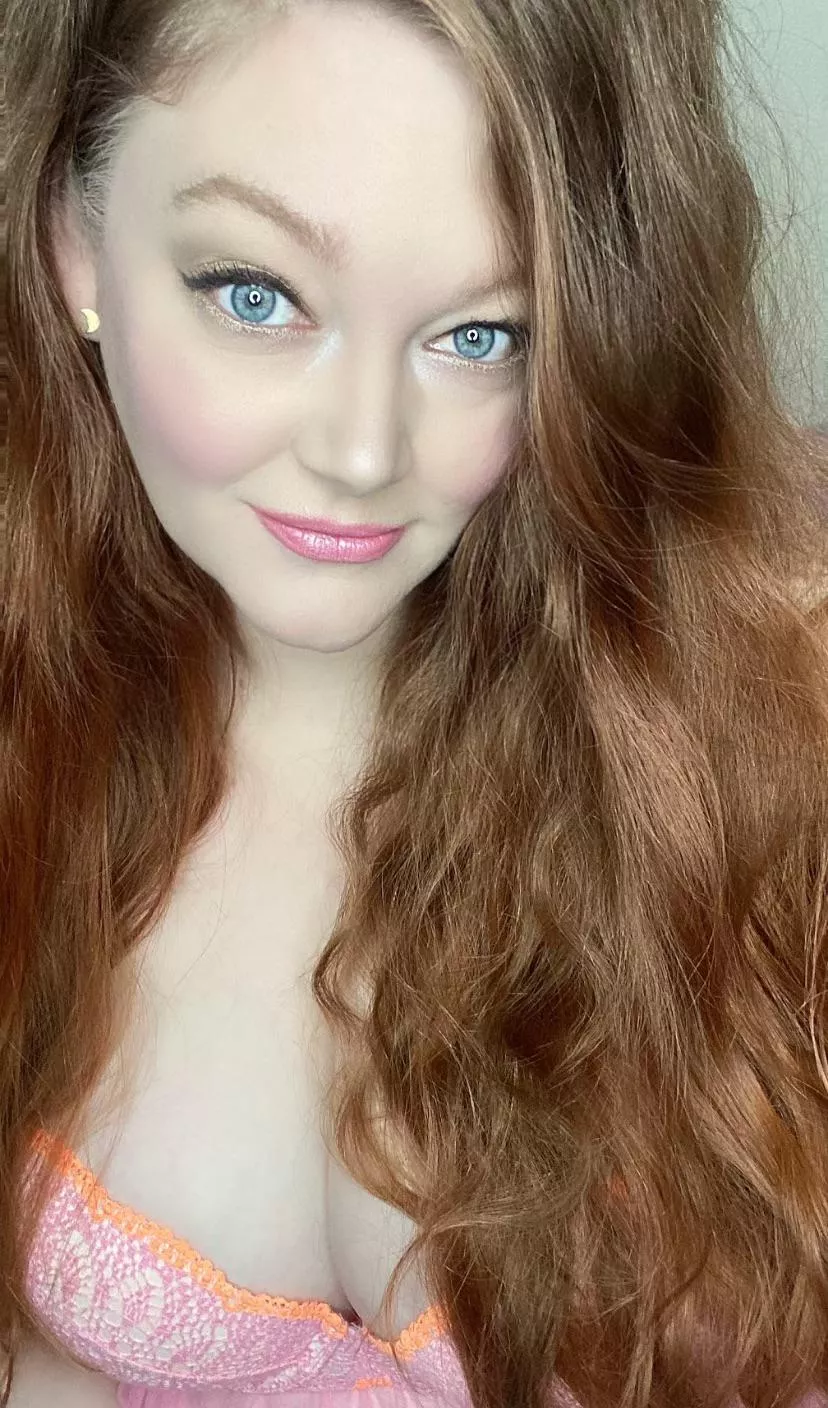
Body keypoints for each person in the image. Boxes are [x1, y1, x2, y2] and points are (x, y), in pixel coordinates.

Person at [3, 0, 828, 1405]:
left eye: (481, 333)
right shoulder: (38, 722)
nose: (365, 452)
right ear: (74, 243)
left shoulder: (755, 754)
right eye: (256, 294)